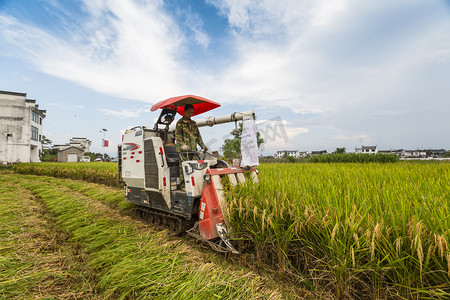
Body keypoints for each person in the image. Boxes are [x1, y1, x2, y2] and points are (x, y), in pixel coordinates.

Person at [175, 104, 208, 187]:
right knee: (184, 168)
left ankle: (193, 185)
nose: (190, 114)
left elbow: (198, 136)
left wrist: (203, 145)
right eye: (189, 112)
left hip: (193, 150)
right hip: (183, 151)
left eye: (192, 113)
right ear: (184, 111)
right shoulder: (180, 123)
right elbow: (177, 137)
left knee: (194, 169)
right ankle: (183, 186)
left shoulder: (193, 123)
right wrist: (182, 145)